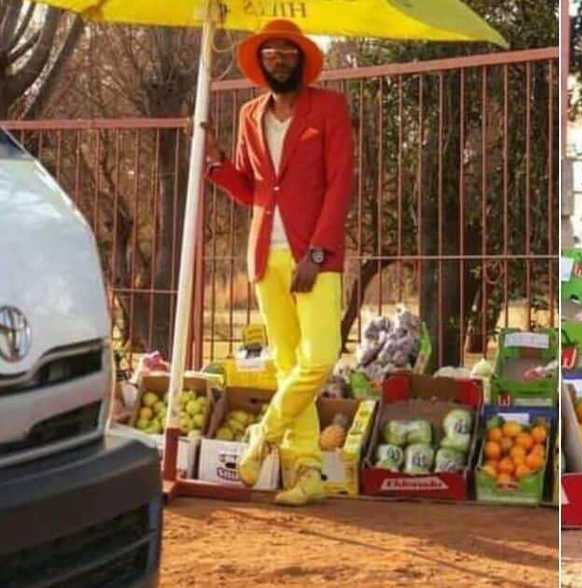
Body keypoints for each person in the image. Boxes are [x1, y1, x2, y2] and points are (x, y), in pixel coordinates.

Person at [204, 19, 354, 506]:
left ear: (302, 60)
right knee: (289, 364)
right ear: (260, 63)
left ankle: (263, 434)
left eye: (287, 53)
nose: (279, 61)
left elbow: (340, 183)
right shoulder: (250, 115)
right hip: (265, 256)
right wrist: (217, 167)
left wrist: (317, 252)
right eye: (270, 54)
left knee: (321, 356)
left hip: (313, 256)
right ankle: (307, 472)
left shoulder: (328, 108)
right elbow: (253, 190)